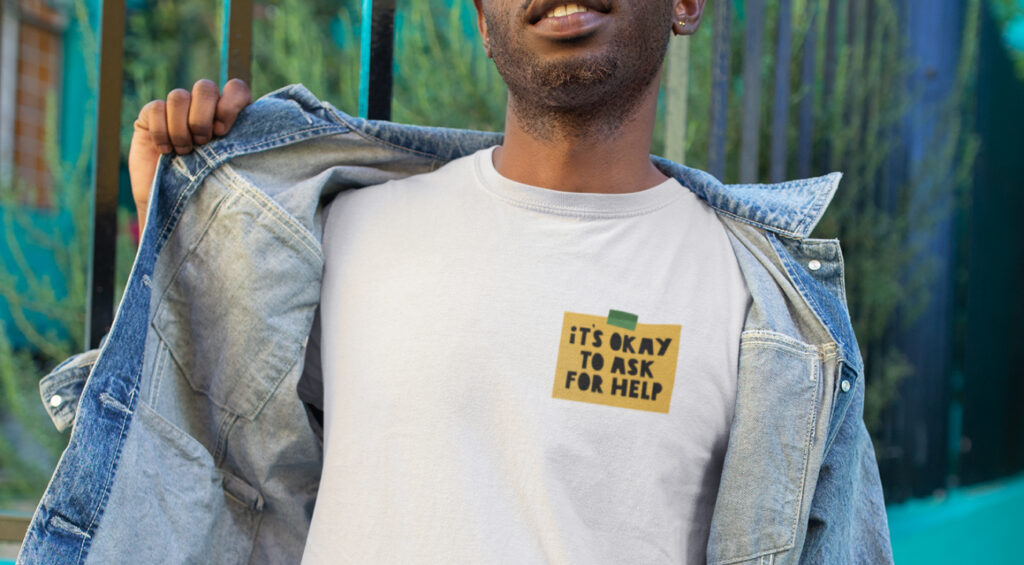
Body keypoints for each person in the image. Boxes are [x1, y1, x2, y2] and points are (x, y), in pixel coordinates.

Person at [20, 1, 893, 564]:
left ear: (688, 5)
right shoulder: (340, 234)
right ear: (482, 15)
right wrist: (183, 218)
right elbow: (206, 457)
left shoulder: (773, 315)